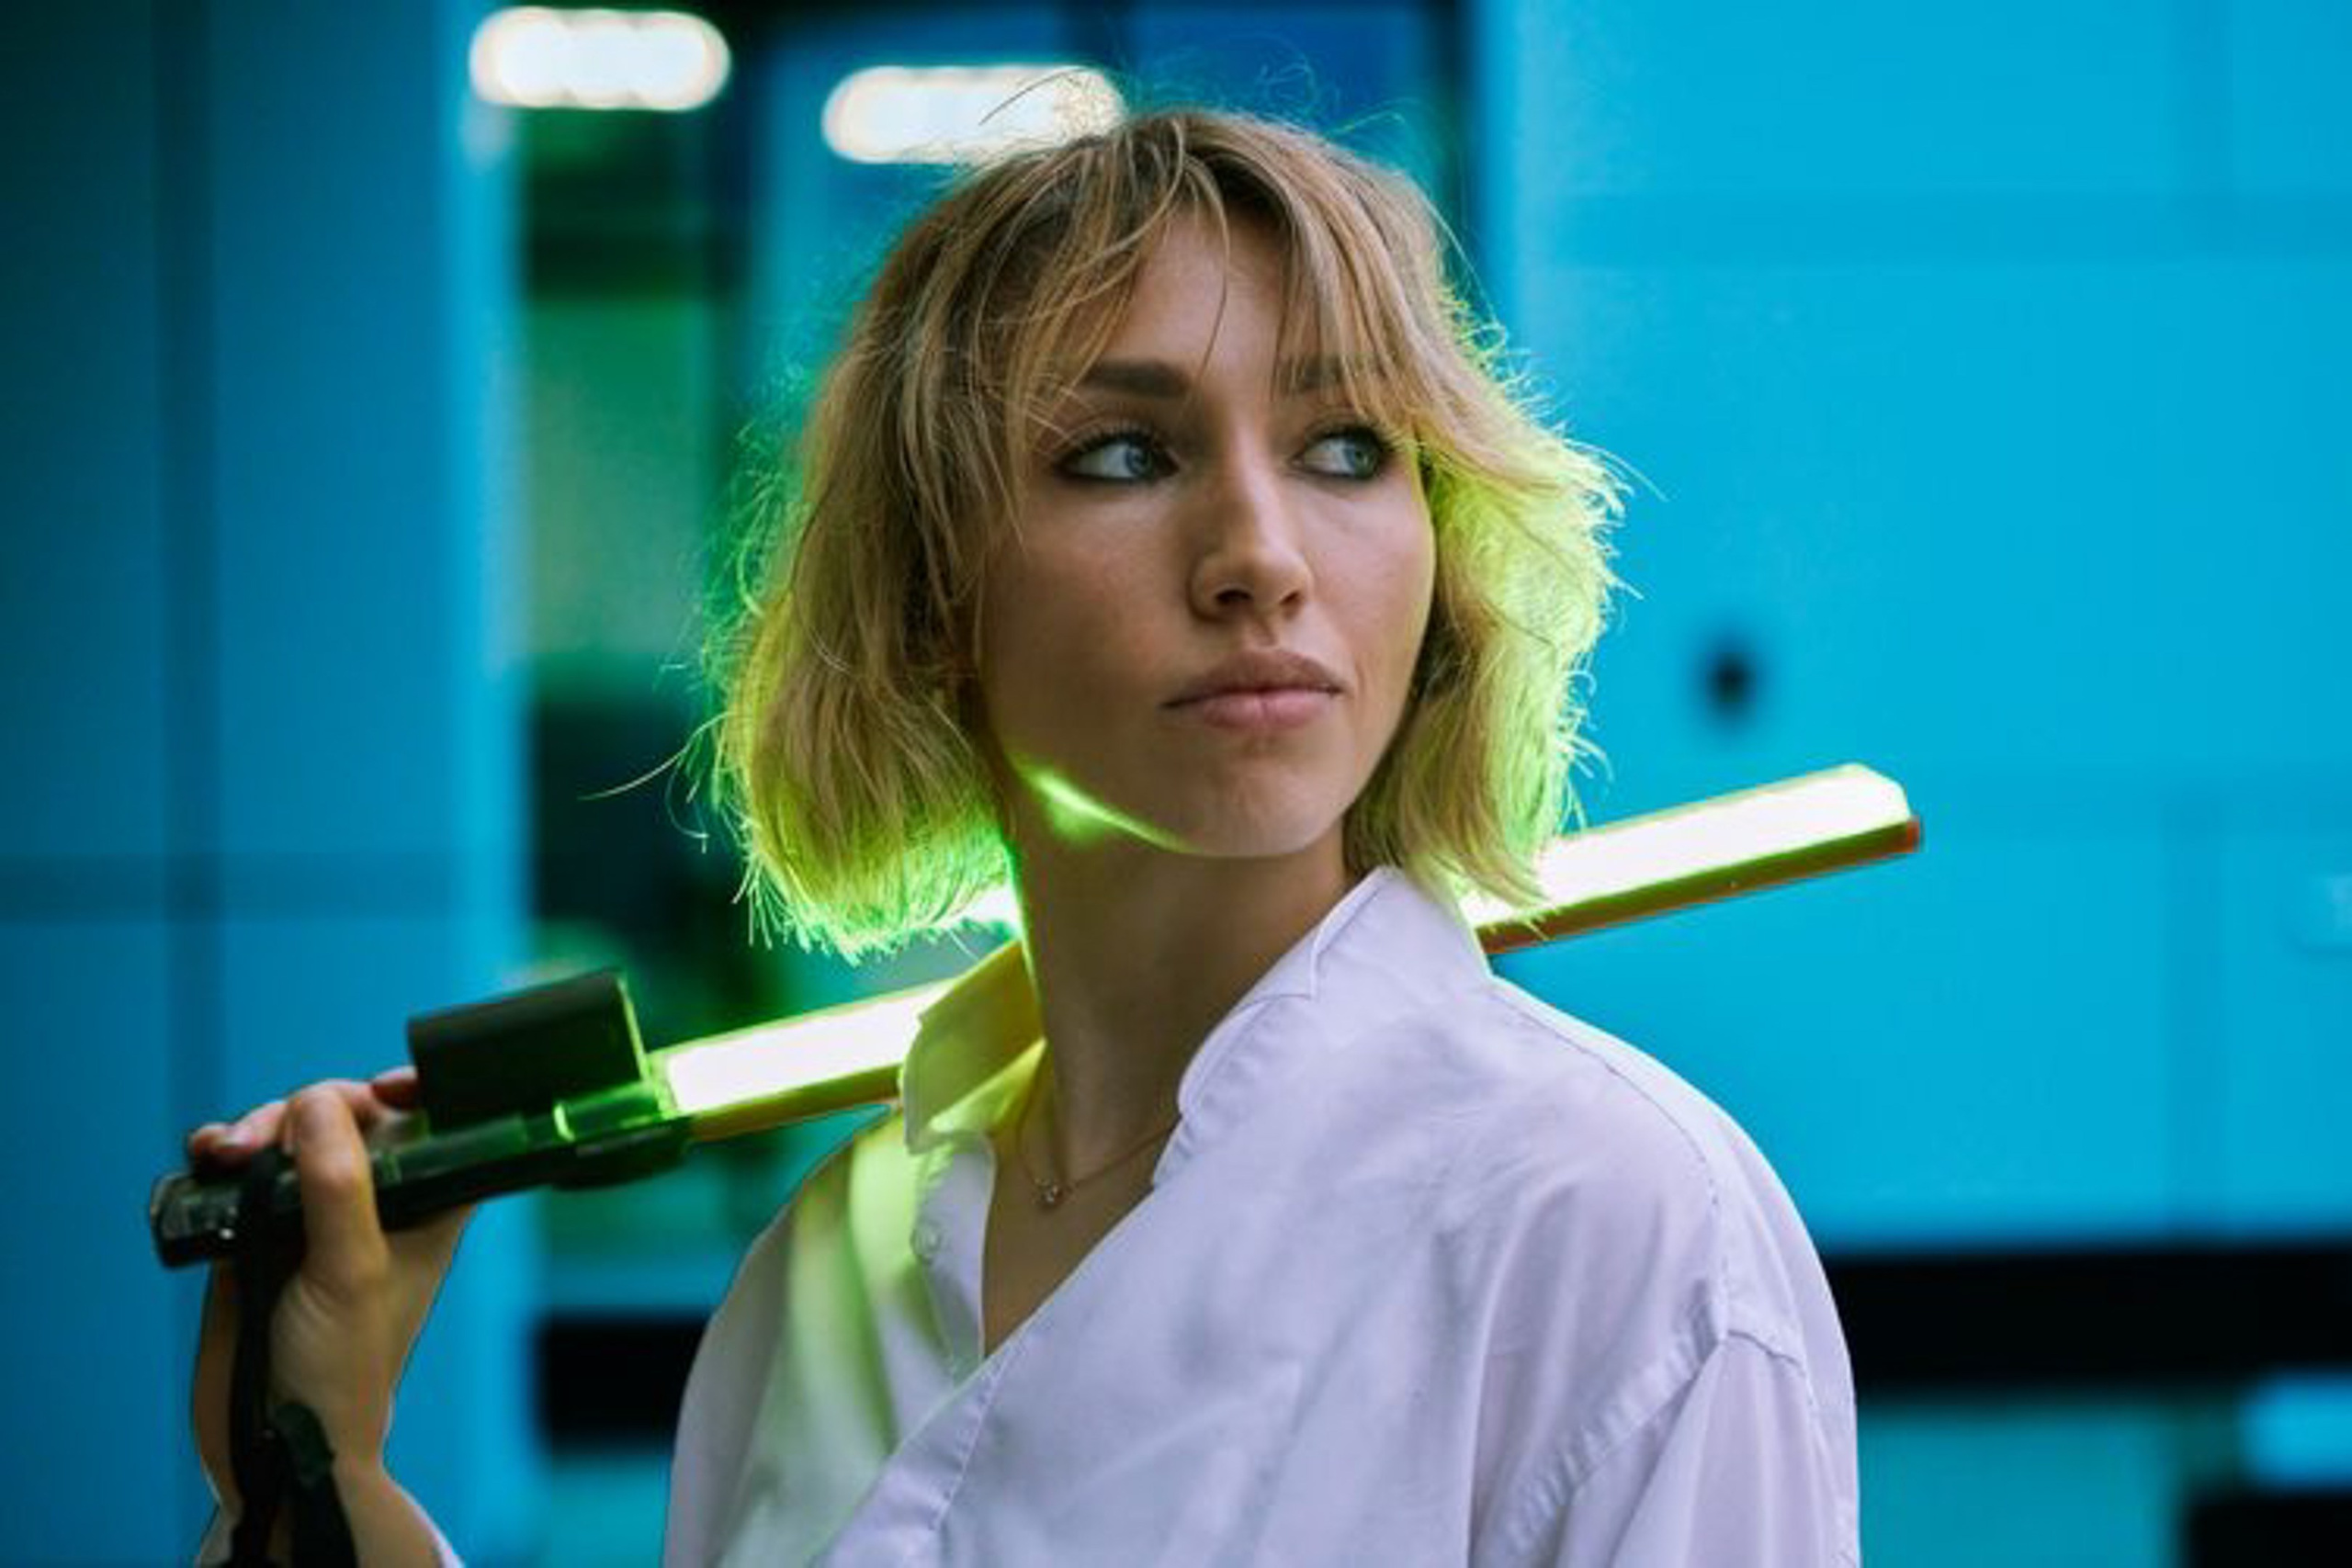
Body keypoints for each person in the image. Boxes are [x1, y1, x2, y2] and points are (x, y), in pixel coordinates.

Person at [186, 107, 1858, 1564]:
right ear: (929, 602)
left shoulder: (1619, 1229)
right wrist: (317, 1467)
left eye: (1349, 447)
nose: (1261, 557)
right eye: (1124, 454)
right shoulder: (822, 1276)